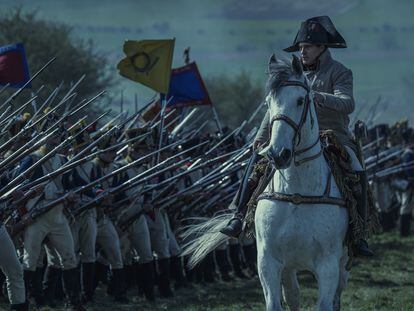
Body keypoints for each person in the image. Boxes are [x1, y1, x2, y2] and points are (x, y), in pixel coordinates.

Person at [220, 15, 374, 257]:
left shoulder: (340, 72)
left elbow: (347, 103)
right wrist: (261, 137)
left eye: (307, 47)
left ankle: (359, 232)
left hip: (334, 135)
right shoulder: (291, 75)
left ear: (322, 48)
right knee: (257, 161)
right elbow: (276, 109)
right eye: (301, 48)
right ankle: (238, 216)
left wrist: (318, 97)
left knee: (356, 168)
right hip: (292, 136)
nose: (302, 52)